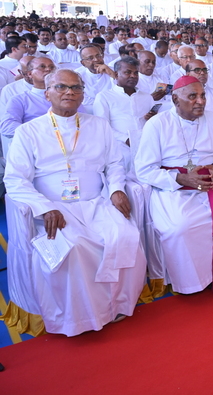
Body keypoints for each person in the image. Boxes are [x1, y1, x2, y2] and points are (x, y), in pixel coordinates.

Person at [4, 69, 147, 336]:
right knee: (76, 248)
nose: (69, 92)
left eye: (76, 88)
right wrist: (44, 207)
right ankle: (79, 316)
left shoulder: (98, 125)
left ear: (83, 94)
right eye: (61, 87)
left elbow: (115, 163)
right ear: (47, 94)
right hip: (56, 207)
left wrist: (116, 189)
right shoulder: (28, 132)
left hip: (96, 202)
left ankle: (116, 304)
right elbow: (15, 180)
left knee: (124, 234)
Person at [135, 75, 213, 293]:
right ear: (175, 99)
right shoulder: (157, 124)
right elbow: (144, 169)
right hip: (173, 187)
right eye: (192, 96)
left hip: (210, 183)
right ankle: (191, 281)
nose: (201, 101)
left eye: (202, 95)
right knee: (180, 227)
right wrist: (181, 178)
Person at [94, 56, 156, 173]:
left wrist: (152, 119)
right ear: (116, 75)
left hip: (146, 144)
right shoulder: (104, 97)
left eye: (135, 73)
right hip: (119, 146)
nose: (133, 76)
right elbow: (103, 127)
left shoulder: (146, 97)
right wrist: (126, 139)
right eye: (127, 72)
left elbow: (154, 123)